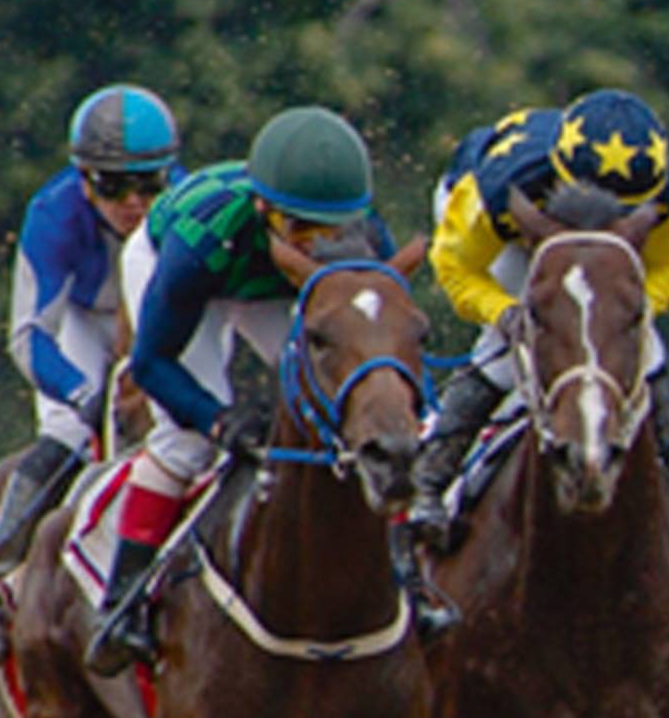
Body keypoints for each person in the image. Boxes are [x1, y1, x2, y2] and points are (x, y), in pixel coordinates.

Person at [87, 108, 427, 675]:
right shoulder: (200, 241)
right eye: (305, 231)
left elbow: (383, 341)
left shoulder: (364, 233)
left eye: (335, 229)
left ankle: (406, 575)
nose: (323, 242)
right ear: (265, 210)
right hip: (199, 275)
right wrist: (216, 419)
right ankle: (123, 602)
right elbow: (151, 364)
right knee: (184, 445)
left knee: (359, 413)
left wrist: (414, 412)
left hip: (274, 282)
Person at [410, 89, 669, 563]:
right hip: (511, 242)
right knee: (502, 354)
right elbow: (457, 268)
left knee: (648, 349)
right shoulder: (496, 190)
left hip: (607, 260)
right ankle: (429, 487)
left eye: (625, 212)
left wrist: (634, 315)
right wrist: (504, 313)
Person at [0, 85, 184, 656]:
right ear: (82, 179)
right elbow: (29, 335)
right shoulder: (52, 215)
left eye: (148, 185)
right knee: (73, 434)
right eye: (112, 186)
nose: (133, 203)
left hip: (153, 313)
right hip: (78, 321)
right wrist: (80, 394)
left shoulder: (185, 206)